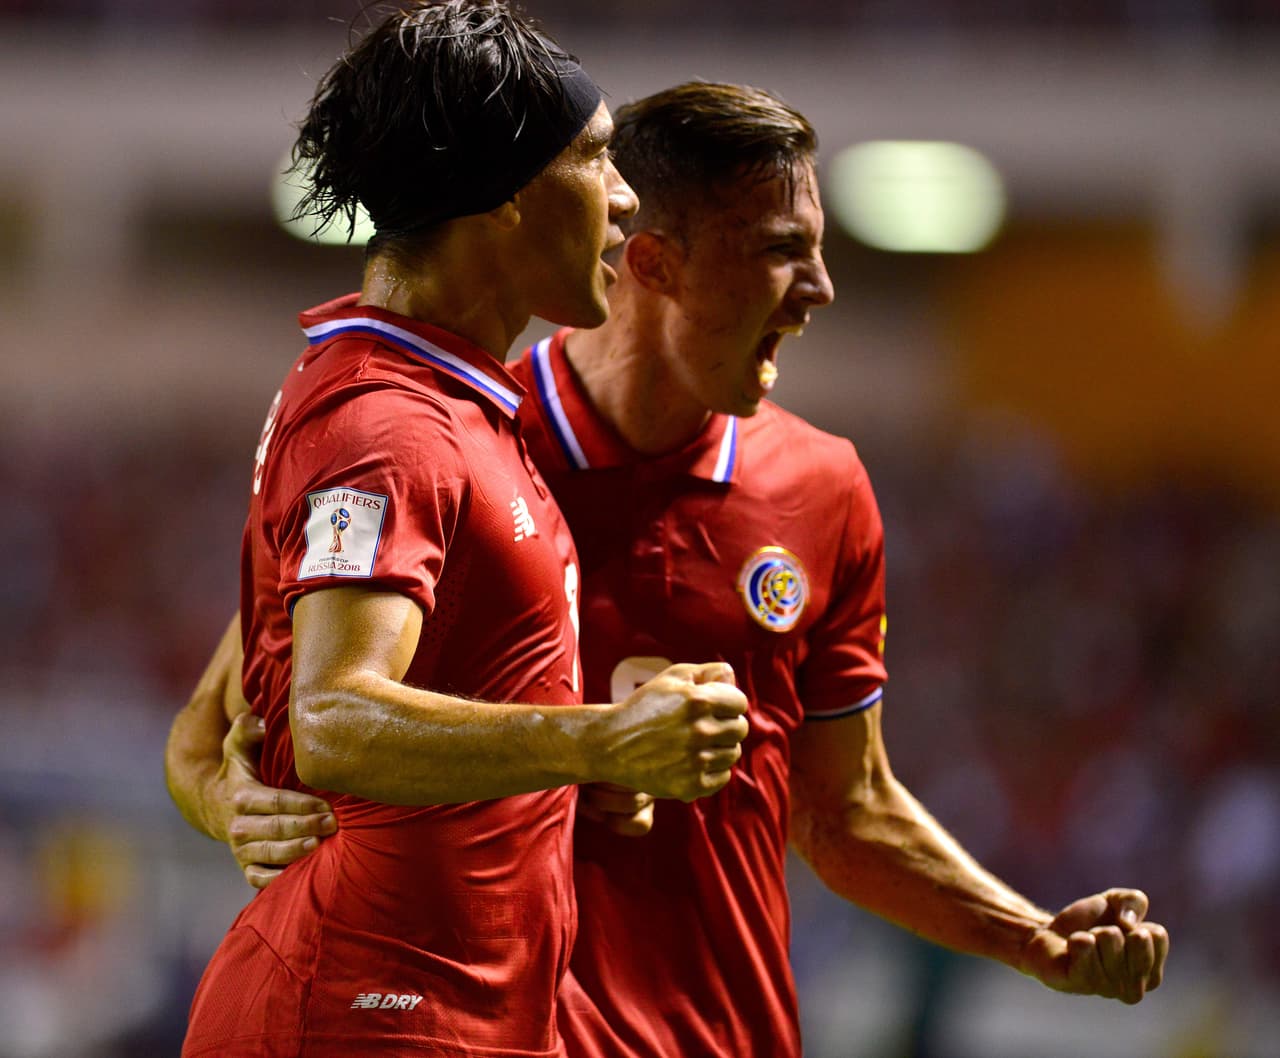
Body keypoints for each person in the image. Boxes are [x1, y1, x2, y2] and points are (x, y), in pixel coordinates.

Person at [168, 81, 1168, 1057]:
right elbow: (229, 722)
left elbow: (845, 805)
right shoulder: (452, 440)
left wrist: (1028, 936)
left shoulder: (822, 489)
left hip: (732, 1029)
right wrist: (236, 805)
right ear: (651, 262)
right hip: (481, 1023)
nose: (818, 292)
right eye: (782, 252)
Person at [173, 9, 751, 1057]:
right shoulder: (383, 425)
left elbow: (211, 717)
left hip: (441, 1014)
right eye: (594, 157)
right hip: (361, 1014)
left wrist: (583, 767)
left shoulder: (447, 402)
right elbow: (333, 717)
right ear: (505, 198)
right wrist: (596, 741)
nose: (624, 198)